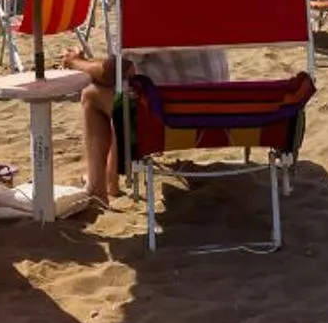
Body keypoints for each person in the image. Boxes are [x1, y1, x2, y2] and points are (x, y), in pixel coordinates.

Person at [60, 44, 231, 208]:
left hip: (171, 121)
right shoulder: (210, 14)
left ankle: (96, 188)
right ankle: (109, 179)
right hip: (227, 115)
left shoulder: (147, 18)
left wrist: (75, 62)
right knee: (125, 90)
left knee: (93, 94)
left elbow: (111, 72)